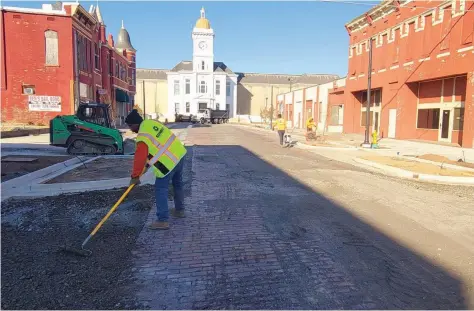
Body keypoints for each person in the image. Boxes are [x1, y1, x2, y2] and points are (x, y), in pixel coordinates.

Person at [125, 109, 187, 230]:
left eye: (130, 126)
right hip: (179, 154)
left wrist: (135, 176)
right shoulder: (152, 123)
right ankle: (180, 210)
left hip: (168, 163)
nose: (131, 130)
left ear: (135, 124)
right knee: (177, 184)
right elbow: (158, 144)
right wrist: (148, 164)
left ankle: (163, 220)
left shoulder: (142, 136)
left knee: (160, 189)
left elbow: (139, 158)